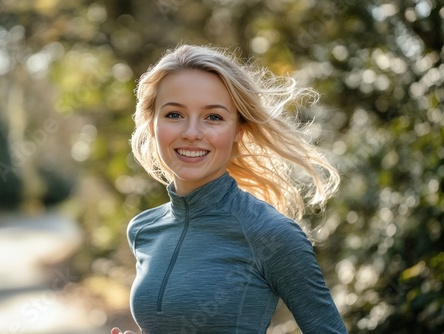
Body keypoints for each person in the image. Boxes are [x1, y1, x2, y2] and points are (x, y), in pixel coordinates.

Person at [112, 44, 347, 334]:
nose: (192, 133)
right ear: (151, 123)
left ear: (238, 129)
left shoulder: (271, 234)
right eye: (174, 114)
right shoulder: (143, 230)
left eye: (213, 117)